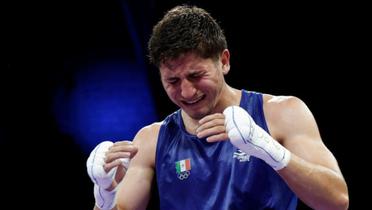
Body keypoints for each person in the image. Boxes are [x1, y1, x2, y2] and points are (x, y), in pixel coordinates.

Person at [86, 5, 349, 210]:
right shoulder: (150, 140)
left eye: (196, 75)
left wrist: (268, 148)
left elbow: (337, 200)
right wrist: (105, 194)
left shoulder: (281, 113)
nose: (187, 92)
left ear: (223, 61)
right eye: (173, 81)